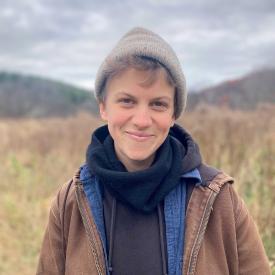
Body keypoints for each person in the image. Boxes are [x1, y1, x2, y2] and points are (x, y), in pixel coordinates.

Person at [36, 27, 271, 275]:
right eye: (127, 101)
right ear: (103, 107)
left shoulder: (218, 198)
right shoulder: (71, 201)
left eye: (158, 104)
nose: (141, 120)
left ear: (173, 115)